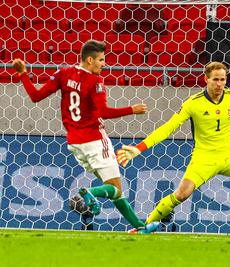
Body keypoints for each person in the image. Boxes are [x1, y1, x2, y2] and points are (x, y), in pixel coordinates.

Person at [12, 40, 158, 234]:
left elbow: (36, 96)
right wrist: (132, 109)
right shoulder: (95, 81)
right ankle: (89, 192)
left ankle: (139, 227)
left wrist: (23, 74)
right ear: (90, 60)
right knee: (114, 188)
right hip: (95, 140)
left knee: (115, 189)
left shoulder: (63, 73)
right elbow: (103, 112)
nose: (104, 64)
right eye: (101, 60)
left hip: (75, 143)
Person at [117, 62, 230, 236]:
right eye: (215, 79)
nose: (220, 84)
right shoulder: (193, 103)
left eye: (223, 79)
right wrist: (139, 148)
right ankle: (145, 227)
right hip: (204, 158)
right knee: (181, 194)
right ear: (206, 79)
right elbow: (168, 128)